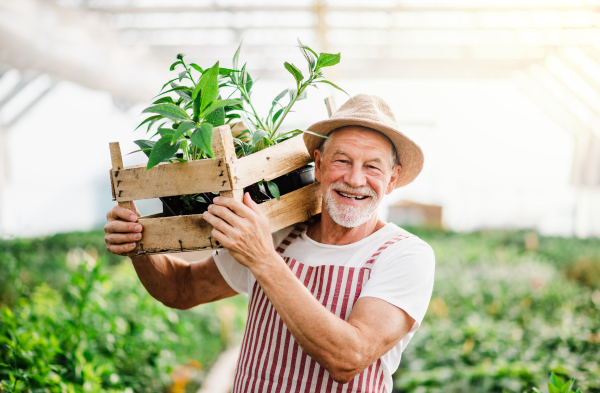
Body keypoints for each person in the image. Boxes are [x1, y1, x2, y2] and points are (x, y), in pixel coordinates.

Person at [104, 94, 435, 393]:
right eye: (342, 161)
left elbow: (348, 358)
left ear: (392, 179)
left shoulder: (403, 255)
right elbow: (181, 289)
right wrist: (137, 242)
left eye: (372, 167)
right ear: (318, 165)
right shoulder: (279, 232)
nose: (355, 179)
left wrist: (262, 257)